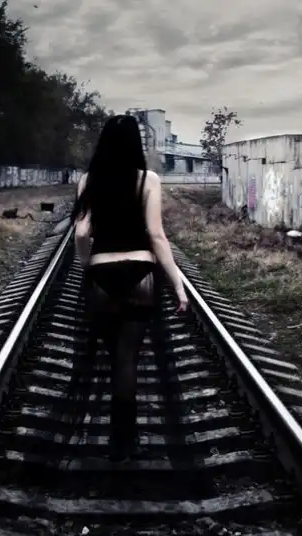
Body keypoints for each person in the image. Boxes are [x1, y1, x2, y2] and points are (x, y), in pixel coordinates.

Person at [72, 114, 188, 463]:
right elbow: (157, 236)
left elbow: (81, 233)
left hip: (102, 274)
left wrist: (87, 266)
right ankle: (126, 443)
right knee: (128, 360)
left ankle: (115, 442)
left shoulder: (88, 180)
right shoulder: (148, 180)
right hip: (140, 274)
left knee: (112, 356)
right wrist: (178, 284)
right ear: (136, 143)